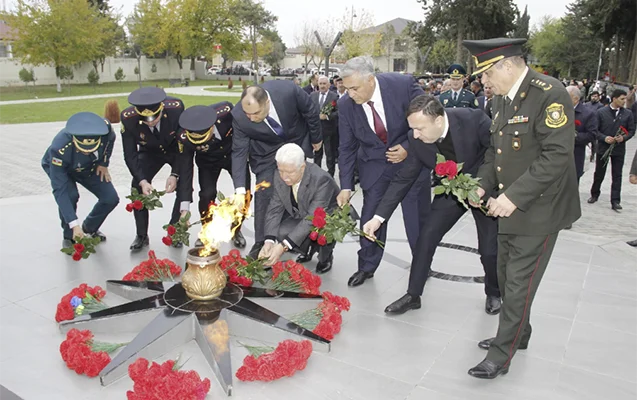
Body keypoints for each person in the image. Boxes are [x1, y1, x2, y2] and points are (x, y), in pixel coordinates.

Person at [462, 37, 581, 379]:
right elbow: (494, 154)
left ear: (508, 66)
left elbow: (556, 156)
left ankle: (502, 354)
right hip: (505, 207)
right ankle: (519, 333)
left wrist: (512, 197)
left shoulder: (550, 93)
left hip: (539, 209)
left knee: (517, 283)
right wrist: (481, 185)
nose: (483, 82)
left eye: (486, 74)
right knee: (504, 273)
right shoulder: (501, 100)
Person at [364, 95, 501, 315]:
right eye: (413, 129)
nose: (415, 135)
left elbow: (497, 154)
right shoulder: (417, 138)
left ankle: (494, 292)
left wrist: (483, 186)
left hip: (485, 187)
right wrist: (378, 218)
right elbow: (403, 179)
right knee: (425, 237)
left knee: (489, 249)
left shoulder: (473, 120)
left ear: (438, 121)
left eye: (420, 128)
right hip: (451, 191)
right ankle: (413, 295)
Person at [337, 56, 430, 287]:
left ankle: (422, 265)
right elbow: (346, 146)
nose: (350, 94)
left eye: (354, 88)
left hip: (411, 165)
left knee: (416, 221)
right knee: (370, 219)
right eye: (346, 88)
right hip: (374, 168)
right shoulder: (345, 105)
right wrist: (346, 186)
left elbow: (429, 116)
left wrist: (408, 147)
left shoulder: (402, 86)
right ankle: (367, 266)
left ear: (370, 80)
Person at [231, 80, 322, 258]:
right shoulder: (239, 116)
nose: (251, 118)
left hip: (296, 141)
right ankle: (261, 242)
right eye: (247, 113)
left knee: (303, 193)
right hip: (266, 152)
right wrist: (240, 191)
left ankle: (309, 241)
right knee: (264, 192)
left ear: (267, 103)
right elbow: (239, 152)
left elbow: (310, 110)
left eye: (256, 113)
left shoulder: (288, 90)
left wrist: (316, 138)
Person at [175, 102, 249, 248]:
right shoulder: (184, 136)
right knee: (206, 195)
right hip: (207, 162)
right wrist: (184, 209)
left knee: (243, 194)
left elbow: (244, 132)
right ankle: (206, 232)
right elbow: (186, 170)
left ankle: (236, 229)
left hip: (233, 156)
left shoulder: (227, 114)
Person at [42, 110, 119, 248]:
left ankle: (89, 227)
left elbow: (110, 141)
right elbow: (60, 191)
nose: (86, 151)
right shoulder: (59, 148)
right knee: (71, 195)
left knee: (110, 198)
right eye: (83, 149)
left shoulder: (105, 130)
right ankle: (70, 234)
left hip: (90, 166)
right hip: (62, 168)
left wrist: (103, 163)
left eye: (90, 149)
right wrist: (74, 224)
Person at [120, 87, 185, 251]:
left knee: (184, 183)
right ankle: (141, 235)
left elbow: (183, 147)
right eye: (146, 120)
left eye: (154, 118)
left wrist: (174, 174)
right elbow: (130, 155)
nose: (150, 122)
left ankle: (174, 230)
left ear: (161, 109)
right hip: (149, 152)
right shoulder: (128, 119)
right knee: (136, 185)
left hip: (174, 150)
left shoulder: (176, 109)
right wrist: (142, 181)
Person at [259, 144, 339, 272]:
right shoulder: (280, 174)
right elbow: (274, 209)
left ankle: (326, 257)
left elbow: (311, 219)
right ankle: (306, 249)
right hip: (303, 211)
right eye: (280, 170)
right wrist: (269, 241)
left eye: (289, 172)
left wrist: (282, 247)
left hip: (328, 215)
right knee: (281, 231)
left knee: (323, 235)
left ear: (302, 167)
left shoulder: (321, 179)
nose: (284, 177)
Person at [588, 89, 636, 211]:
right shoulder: (601, 112)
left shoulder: (627, 114)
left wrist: (623, 138)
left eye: (625, 99)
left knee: (617, 174)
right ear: (614, 99)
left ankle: (615, 200)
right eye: (622, 99)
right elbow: (595, 130)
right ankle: (594, 194)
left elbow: (631, 130)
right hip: (604, 147)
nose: (624, 101)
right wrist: (604, 138)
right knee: (599, 172)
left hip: (618, 149)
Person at [565, 86, 597, 183]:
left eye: (567, 96)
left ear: (576, 99)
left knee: (571, 186)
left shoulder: (587, 114)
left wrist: (573, 136)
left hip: (576, 154)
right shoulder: (559, 109)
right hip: (558, 155)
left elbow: (592, 134)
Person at [311, 76, 340, 176]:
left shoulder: (334, 97)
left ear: (329, 85)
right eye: (320, 84)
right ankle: (316, 175)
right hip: (317, 131)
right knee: (317, 155)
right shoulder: (313, 95)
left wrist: (327, 117)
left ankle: (330, 175)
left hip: (329, 131)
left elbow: (338, 112)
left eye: (324, 84)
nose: (322, 86)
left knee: (330, 155)